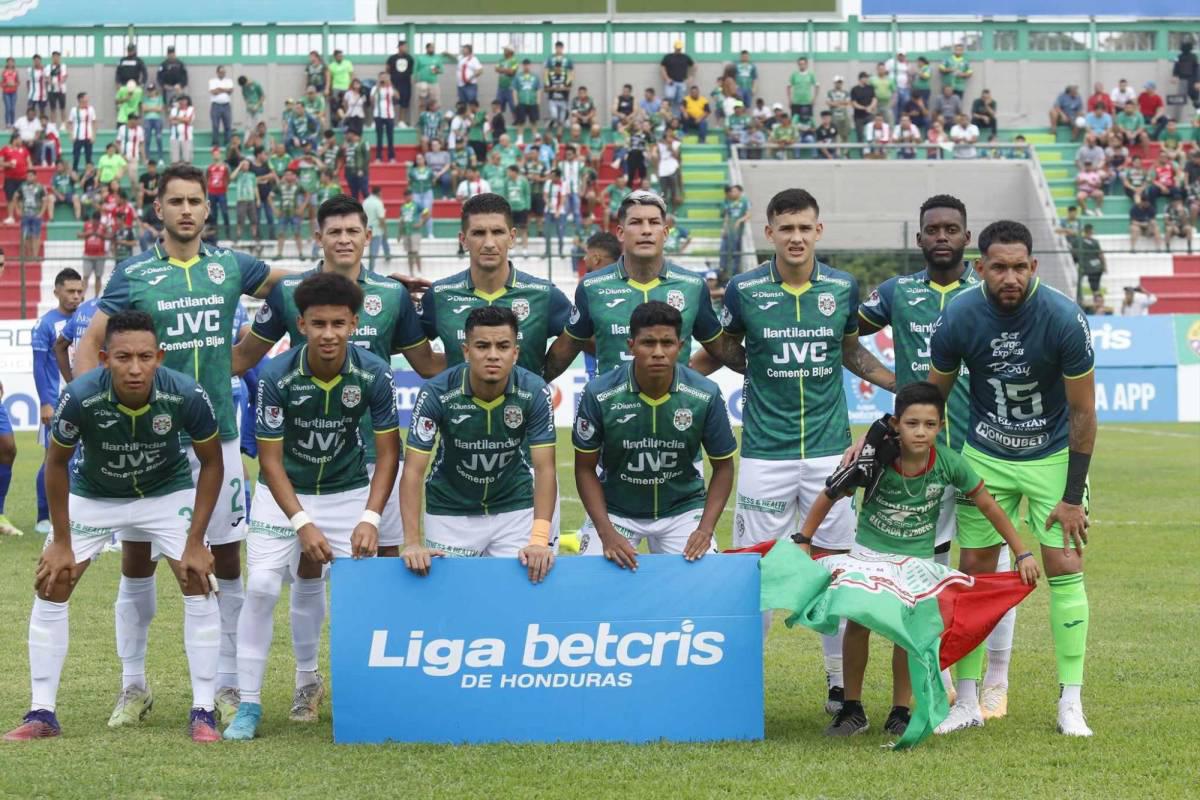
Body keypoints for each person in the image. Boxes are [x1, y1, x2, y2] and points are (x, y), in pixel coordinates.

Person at [73, 163, 290, 726]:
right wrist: (86, 413)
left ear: (208, 209)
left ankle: (227, 684)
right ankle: (133, 685)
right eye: (176, 201)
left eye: (196, 201)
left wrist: (365, 280)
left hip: (215, 436)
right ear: (160, 210)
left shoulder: (230, 266)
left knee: (224, 559)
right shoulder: (133, 272)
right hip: (149, 444)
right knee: (137, 559)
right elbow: (92, 343)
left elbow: (293, 288)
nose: (187, 210)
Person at [701, 188, 893, 714]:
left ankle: (837, 684)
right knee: (754, 569)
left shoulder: (842, 286)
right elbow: (724, 349)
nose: (796, 237)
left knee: (834, 568)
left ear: (819, 231)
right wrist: (679, 378)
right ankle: (741, 683)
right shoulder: (743, 290)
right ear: (769, 234)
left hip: (833, 455)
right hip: (765, 450)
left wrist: (901, 385)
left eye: (805, 228)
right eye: (786, 228)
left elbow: (852, 350)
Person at [3, 309, 225, 743]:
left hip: (165, 493)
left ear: (160, 356)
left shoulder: (185, 394)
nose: (135, 367)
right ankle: (42, 713)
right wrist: (62, 541)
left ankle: (203, 710)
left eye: (145, 356)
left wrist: (196, 540)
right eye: (123, 357)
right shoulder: (81, 395)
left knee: (197, 577)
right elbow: (56, 465)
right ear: (105, 358)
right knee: (54, 580)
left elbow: (212, 463)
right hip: (96, 494)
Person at [928, 219, 1097, 738]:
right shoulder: (959, 315)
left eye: (1020, 267)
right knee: (975, 573)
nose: (1010, 277)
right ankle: (968, 702)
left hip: (1049, 456)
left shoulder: (1063, 317)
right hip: (986, 456)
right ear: (980, 267)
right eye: (998, 267)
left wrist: (1072, 497)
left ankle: (1070, 702)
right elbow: (931, 399)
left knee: (1065, 565)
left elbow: (1084, 412)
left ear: (1034, 267)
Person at [858, 196, 1021, 711]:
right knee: (924, 569)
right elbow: (842, 337)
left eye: (953, 228)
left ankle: (997, 677)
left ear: (967, 238)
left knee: (984, 568)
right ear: (920, 239)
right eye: (934, 229)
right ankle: (941, 671)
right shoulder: (896, 292)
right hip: (915, 455)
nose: (943, 236)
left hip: (982, 448)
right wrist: (895, 383)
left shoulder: (990, 293)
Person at [804, 382, 1039, 737]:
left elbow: (989, 506)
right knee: (857, 622)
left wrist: (1022, 552)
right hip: (868, 554)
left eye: (930, 425)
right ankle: (852, 709)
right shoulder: (876, 455)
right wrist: (803, 539)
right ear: (896, 423)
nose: (921, 432)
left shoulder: (949, 463)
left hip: (914, 561)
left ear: (940, 427)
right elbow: (830, 495)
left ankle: (900, 711)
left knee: (907, 633)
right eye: (912, 423)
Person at [223, 272, 400, 741]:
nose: (328, 334)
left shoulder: (374, 373)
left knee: (360, 595)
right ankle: (250, 704)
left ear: (354, 323)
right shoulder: (276, 375)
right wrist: (301, 522)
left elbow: (388, 454)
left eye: (338, 324)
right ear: (300, 324)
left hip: (346, 495)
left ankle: (321, 686)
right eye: (318, 323)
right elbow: (270, 461)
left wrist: (369, 516)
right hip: (283, 497)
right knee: (260, 587)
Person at [573, 299, 735, 567]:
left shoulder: (704, 393)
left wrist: (705, 530)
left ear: (680, 347)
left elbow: (724, 467)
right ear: (631, 346)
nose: (658, 352)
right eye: (648, 343)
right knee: (594, 581)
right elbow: (584, 469)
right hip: (617, 511)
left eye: (667, 343)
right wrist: (606, 533)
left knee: (703, 581)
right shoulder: (600, 393)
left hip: (682, 510)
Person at [400, 306, 557, 581]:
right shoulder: (436, 392)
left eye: (503, 346)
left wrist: (539, 539)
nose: (493, 355)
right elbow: (413, 470)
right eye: (482, 346)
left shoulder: (534, 391)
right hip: (450, 511)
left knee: (516, 596)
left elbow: (545, 469)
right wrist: (412, 541)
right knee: (453, 602)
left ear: (515, 353)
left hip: (514, 507)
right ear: (466, 351)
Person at [543, 190, 743, 381]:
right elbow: (565, 349)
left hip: (676, 412)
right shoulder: (591, 286)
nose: (646, 230)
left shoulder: (693, 286)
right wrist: (526, 389)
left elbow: (721, 349)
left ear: (665, 233)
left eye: (654, 222)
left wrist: (686, 378)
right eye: (636, 223)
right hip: (612, 411)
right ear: (621, 232)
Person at [419, 193, 572, 380]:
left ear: (512, 237)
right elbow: (398, 344)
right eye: (478, 233)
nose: (489, 243)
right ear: (463, 240)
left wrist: (541, 378)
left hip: (527, 410)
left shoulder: (544, 294)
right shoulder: (439, 296)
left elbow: (587, 339)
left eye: (498, 232)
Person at [30, 268, 84, 534]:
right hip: (57, 402)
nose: (76, 297)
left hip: (84, 401)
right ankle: (43, 516)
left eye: (79, 291)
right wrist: (45, 402)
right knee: (53, 458)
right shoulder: (45, 324)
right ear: (56, 292)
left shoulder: (88, 318)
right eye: (70, 291)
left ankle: (77, 516)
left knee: (83, 460)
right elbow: (39, 366)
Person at [18, 170, 49, 259]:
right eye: (27, 176)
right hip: (25, 215)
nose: (29, 177)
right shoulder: (22, 186)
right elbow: (16, 197)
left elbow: (45, 200)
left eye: (31, 176)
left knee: (36, 236)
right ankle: (29, 255)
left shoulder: (40, 187)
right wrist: (18, 209)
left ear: (35, 177)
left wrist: (41, 213)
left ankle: (35, 256)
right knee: (26, 236)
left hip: (36, 215)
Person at [397, 188, 429, 274]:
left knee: (415, 251)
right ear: (404, 197)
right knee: (409, 252)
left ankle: (419, 271)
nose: (409, 197)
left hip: (415, 232)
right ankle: (411, 272)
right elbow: (401, 221)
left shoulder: (417, 205)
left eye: (410, 195)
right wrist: (399, 234)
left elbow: (427, 213)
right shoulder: (402, 207)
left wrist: (421, 222)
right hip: (406, 232)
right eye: (407, 196)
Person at [511, 60, 541, 146]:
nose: (526, 66)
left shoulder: (535, 77)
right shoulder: (517, 76)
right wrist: (516, 101)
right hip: (522, 101)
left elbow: (538, 89)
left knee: (534, 121)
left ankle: (535, 138)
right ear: (522, 66)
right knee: (521, 121)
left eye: (528, 65)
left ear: (530, 65)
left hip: (532, 102)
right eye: (524, 65)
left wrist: (538, 101)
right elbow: (514, 89)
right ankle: (520, 139)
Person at [660, 41, 694, 116]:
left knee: (680, 101)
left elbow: (694, 65)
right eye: (677, 48)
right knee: (669, 96)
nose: (678, 50)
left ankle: (676, 118)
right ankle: (668, 114)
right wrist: (666, 78)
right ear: (674, 48)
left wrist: (690, 77)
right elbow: (662, 67)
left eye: (680, 49)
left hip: (682, 82)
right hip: (671, 82)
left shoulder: (685, 57)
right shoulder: (668, 57)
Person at [361, 185, 390, 270]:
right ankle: (371, 270)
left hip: (367, 229)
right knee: (374, 252)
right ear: (379, 193)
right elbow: (381, 218)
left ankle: (387, 254)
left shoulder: (365, 202)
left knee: (373, 249)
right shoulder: (378, 202)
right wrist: (385, 229)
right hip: (377, 230)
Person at [386, 40, 414, 126]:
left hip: (405, 83)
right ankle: (389, 120)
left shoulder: (410, 58)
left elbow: (411, 72)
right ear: (399, 47)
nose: (406, 48)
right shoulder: (392, 58)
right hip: (394, 83)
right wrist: (390, 84)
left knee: (404, 103)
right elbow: (387, 70)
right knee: (391, 102)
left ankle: (401, 121)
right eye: (404, 46)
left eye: (407, 47)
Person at [372, 73, 397, 162]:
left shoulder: (390, 88)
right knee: (379, 137)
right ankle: (378, 157)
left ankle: (391, 157)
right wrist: (378, 86)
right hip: (378, 115)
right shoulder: (375, 88)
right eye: (381, 78)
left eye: (385, 77)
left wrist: (390, 84)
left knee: (390, 137)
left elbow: (397, 97)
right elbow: (371, 100)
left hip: (389, 115)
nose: (383, 79)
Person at [1076, 224, 1106, 297]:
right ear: (1090, 231)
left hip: (1086, 267)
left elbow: (1073, 252)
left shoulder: (1078, 241)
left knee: (1082, 284)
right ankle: (1096, 299)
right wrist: (1105, 266)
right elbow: (1101, 255)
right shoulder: (1095, 242)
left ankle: (1080, 297)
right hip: (1095, 268)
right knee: (1095, 288)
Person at [327, 50, 354, 126]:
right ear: (335, 57)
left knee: (347, 104)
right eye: (339, 56)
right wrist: (329, 89)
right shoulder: (331, 65)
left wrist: (351, 87)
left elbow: (351, 75)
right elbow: (329, 79)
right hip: (336, 88)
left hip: (347, 87)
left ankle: (348, 121)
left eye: (341, 56)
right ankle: (339, 122)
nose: (340, 57)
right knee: (336, 106)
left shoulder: (348, 63)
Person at [1172, 40, 1199, 117]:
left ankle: (1199, 115)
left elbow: (1197, 69)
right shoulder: (1178, 57)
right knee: (1180, 100)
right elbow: (1176, 66)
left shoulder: (1194, 57)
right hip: (1182, 80)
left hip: (1192, 80)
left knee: (1196, 101)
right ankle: (1176, 119)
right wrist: (1174, 76)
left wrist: (1197, 81)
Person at [789, 56, 819, 121]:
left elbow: (817, 86)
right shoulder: (794, 75)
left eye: (803, 64)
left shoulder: (811, 75)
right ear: (798, 65)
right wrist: (790, 100)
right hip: (796, 103)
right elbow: (788, 87)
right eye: (800, 64)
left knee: (807, 122)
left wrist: (814, 99)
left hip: (807, 103)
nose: (801, 65)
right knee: (794, 122)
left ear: (806, 64)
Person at [343, 128, 369, 201]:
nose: (346, 136)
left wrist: (362, 170)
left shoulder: (364, 143)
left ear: (353, 134)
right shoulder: (348, 144)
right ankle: (356, 210)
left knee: (364, 191)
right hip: (350, 172)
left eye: (348, 134)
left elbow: (367, 158)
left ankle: (369, 208)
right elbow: (346, 158)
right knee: (354, 193)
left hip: (360, 172)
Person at [169, 94, 195, 163]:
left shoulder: (190, 109)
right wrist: (182, 120)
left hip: (187, 137)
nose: (182, 102)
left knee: (187, 159)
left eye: (184, 100)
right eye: (180, 100)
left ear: (187, 101)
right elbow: (171, 121)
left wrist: (176, 118)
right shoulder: (174, 110)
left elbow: (188, 120)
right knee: (175, 160)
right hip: (175, 136)